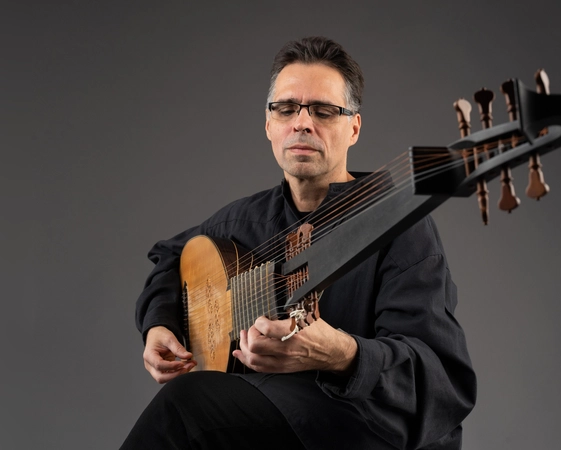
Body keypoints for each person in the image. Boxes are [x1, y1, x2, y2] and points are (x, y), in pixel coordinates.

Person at [124, 36, 477, 450]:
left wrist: (344, 355)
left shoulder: (399, 226)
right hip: (267, 425)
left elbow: (440, 380)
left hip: (361, 430)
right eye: (287, 108)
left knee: (185, 405)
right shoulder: (243, 222)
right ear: (269, 124)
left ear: (354, 128)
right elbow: (170, 259)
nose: (302, 123)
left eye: (324, 111)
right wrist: (159, 325)